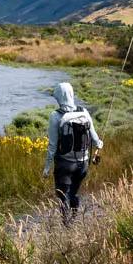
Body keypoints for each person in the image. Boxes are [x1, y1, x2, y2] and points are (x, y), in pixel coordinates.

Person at [43, 82, 103, 224]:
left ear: (59, 96)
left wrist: (46, 168)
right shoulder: (84, 111)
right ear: (71, 94)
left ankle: (66, 223)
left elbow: (52, 146)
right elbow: (96, 140)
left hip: (64, 164)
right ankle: (74, 219)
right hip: (83, 164)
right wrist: (100, 144)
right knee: (74, 193)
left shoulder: (55, 115)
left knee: (62, 195)